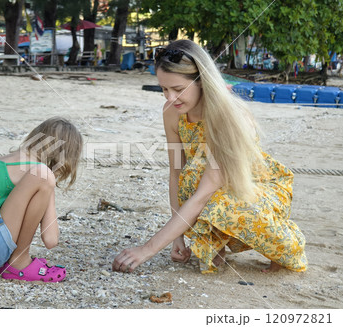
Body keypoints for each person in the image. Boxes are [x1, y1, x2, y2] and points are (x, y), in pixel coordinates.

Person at [112, 40, 307, 274]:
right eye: (164, 89)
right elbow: (176, 172)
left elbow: (205, 194)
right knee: (190, 175)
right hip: (209, 188)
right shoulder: (171, 112)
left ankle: (285, 243)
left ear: (202, 82)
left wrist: (148, 249)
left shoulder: (229, 116)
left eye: (178, 89)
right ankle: (215, 243)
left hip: (255, 186)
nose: (170, 97)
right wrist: (178, 239)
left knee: (217, 195)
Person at [0, 117, 83, 282]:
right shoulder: (39, 173)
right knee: (44, 175)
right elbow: (51, 239)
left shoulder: (10, 160)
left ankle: (11, 259)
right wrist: (50, 185)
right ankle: (20, 261)